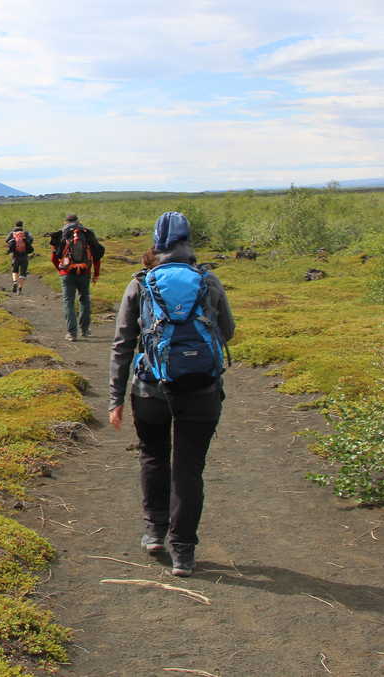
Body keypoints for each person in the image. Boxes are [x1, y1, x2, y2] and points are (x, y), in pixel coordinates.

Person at [108, 211, 235, 578]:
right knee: (189, 468)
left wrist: (116, 398)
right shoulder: (208, 281)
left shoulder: (141, 283)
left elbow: (122, 344)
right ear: (189, 242)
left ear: (157, 244)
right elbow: (227, 330)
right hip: (202, 388)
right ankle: (184, 551)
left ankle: (154, 532)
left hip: (150, 389)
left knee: (152, 457)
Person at [48, 214, 102, 341]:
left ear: (65, 222)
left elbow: (53, 258)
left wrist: (61, 270)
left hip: (67, 273)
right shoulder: (87, 233)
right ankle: (85, 330)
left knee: (68, 302)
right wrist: (96, 273)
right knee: (85, 299)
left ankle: (72, 333)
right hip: (85, 272)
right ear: (79, 222)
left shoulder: (60, 234)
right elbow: (97, 255)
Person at [5, 220, 34, 294]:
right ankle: (20, 288)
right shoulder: (26, 233)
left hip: (15, 255)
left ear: (15, 225)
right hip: (24, 256)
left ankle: (15, 282)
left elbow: (6, 240)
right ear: (22, 225)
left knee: (15, 270)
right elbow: (31, 240)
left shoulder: (12, 233)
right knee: (23, 273)